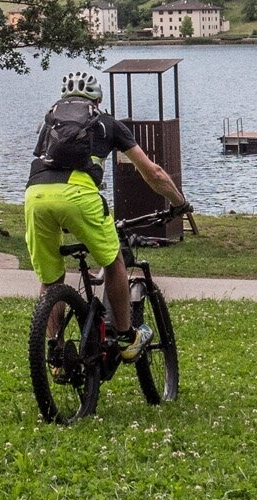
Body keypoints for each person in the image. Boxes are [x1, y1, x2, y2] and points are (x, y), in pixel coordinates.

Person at [24, 71, 189, 364]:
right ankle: (126, 337)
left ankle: (56, 351)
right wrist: (181, 203)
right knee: (114, 262)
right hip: (78, 197)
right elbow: (154, 173)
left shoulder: (48, 122)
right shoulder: (106, 123)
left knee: (51, 280)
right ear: (98, 99)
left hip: (35, 196)